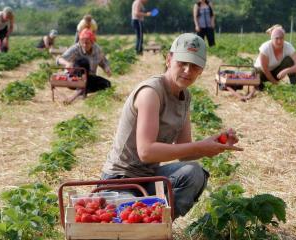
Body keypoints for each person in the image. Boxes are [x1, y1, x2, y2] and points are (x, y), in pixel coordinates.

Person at [101, 33, 243, 219]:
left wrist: (214, 145)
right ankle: (148, 223)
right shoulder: (151, 93)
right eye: (181, 62)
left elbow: (185, 153)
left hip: (149, 177)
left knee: (194, 173)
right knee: (130, 218)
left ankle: (159, 223)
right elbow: (146, 152)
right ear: (169, 59)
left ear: (201, 69)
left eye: (194, 66)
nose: (187, 70)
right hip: (120, 180)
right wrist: (200, 146)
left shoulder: (184, 96)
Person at [57, 29, 112, 105]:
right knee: (84, 62)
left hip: (89, 78)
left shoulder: (97, 49)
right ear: (80, 41)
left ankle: (82, 91)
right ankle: (77, 93)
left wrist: (106, 68)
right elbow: (59, 59)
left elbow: (103, 61)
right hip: (73, 78)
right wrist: (67, 63)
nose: (84, 45)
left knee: (107, 84)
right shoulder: (76, 48)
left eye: (87, 43)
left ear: (92, 42)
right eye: (83, 43)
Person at [253, 25, 296, 91]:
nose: (279, 41)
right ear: (272, 39)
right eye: (276, 38)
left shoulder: (288, 46)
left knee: (289, 60)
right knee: (260, 85)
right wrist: (275, 83)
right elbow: (264, 68)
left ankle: (294, 87)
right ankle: (261, 86)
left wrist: (286, 70)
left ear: (284, 38)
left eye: (281, 38)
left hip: (275, 73)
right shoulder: (265, 47)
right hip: (261, 73)